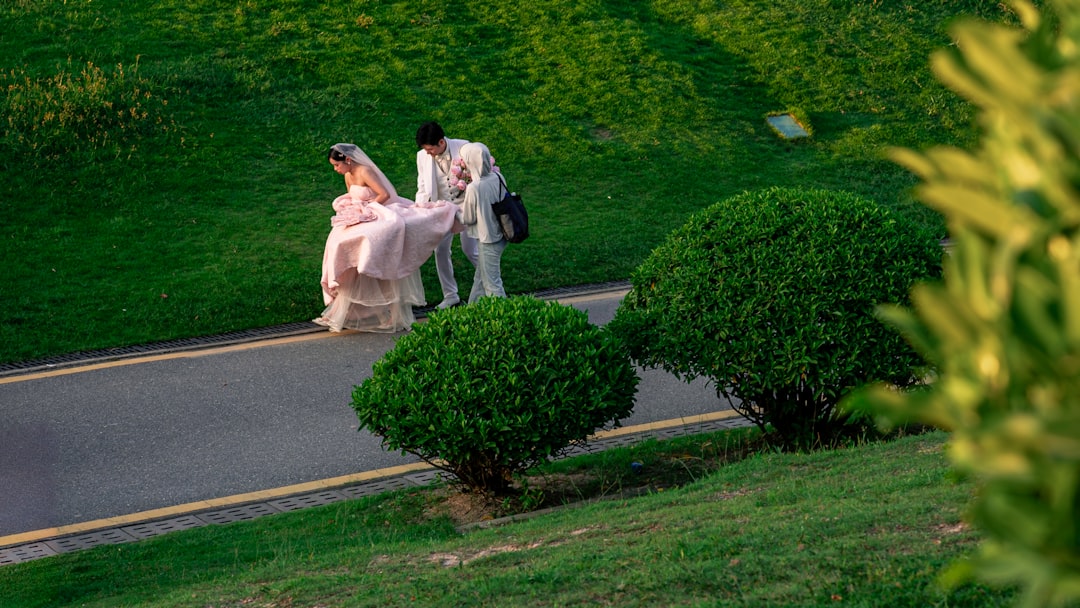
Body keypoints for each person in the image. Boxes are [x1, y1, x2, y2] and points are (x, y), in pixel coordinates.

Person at [315, 143, 459, 332]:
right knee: (339, 242)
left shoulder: (365, 171)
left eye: (337, 165)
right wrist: (352, 209)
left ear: (347, 160)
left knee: (377, 245)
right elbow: (353, 197)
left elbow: (384, 194)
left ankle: (394, 312)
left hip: (378, 211)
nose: (336, 169)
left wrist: (367, 208)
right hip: (362, 214)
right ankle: (340, 307)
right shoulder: (348, 175)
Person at [415, 121, 479, 309]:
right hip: (441, 208)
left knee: (471, 250)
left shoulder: (465, 148)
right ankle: (450, 295)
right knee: (441, 251)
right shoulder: (422, 156)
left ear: (441, 142)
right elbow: (423, 186)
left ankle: (491, 286)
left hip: (467, 207)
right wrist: (420, 209)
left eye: (430, 149)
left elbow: (478, 179)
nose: (428, 153)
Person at [458, 142, 507, 302]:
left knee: (492, 285)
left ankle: (506, 319)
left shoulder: (474, 187)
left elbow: (468, 219)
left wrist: (454, 212)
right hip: (502, 234)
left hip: (488, 240)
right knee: (479, 280)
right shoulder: (498, 177)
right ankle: (472, 312)